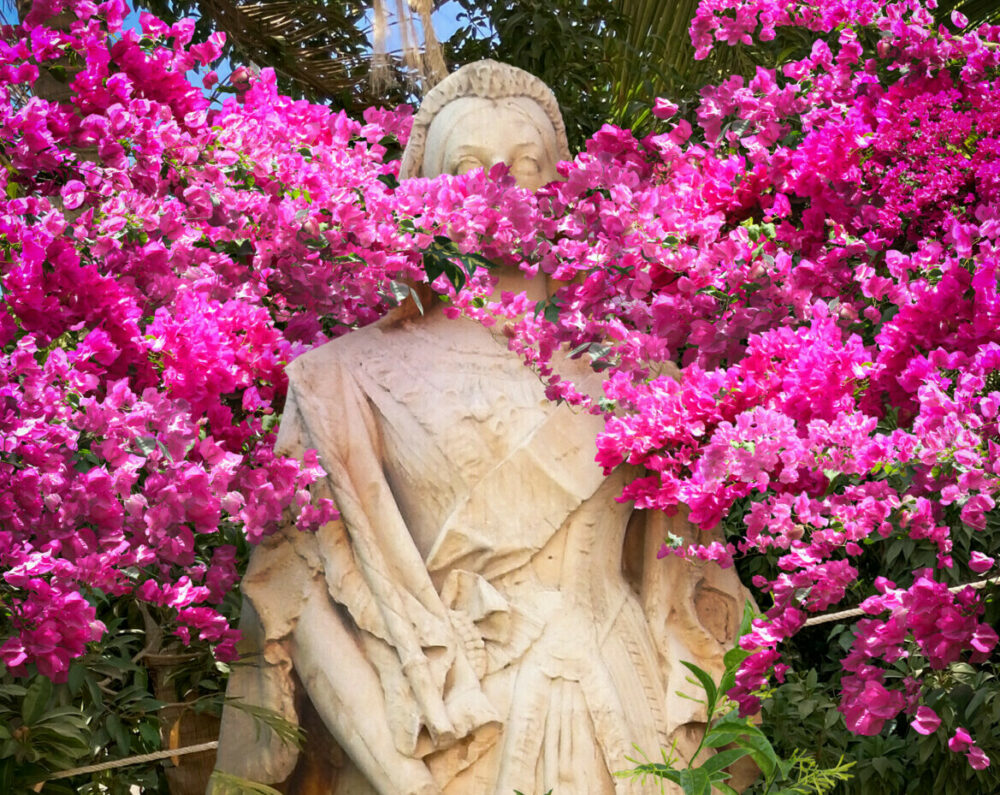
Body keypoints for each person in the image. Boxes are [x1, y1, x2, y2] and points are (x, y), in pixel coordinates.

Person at [213, 60, 748, 795]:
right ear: (422, 189)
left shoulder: (636, 372)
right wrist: (402, 777)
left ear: (563, 188)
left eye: (528, 165)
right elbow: (299, 600)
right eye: (468, 166)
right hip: (434, 739)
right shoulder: (340, 378)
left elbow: (686, 593)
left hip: (620, 714)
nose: (500, 183)